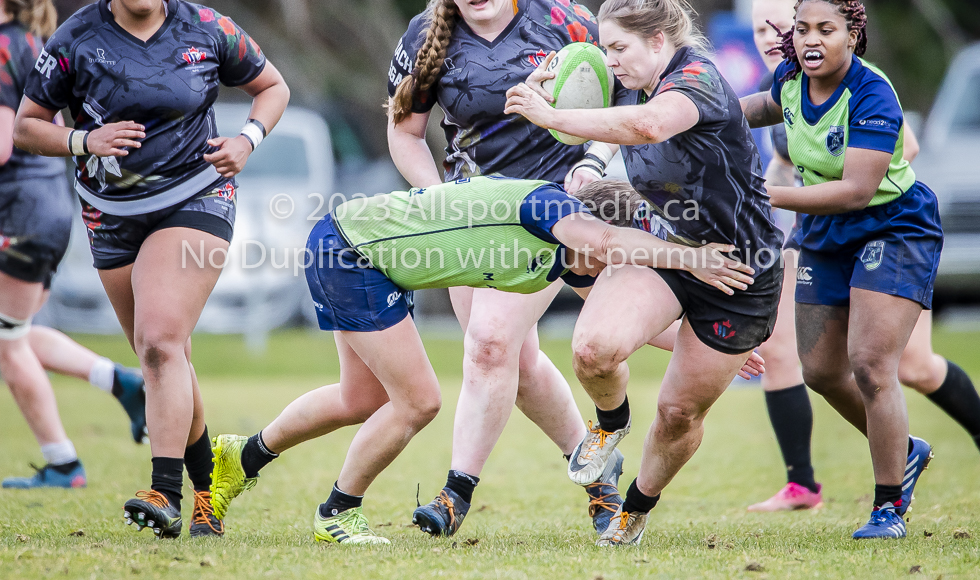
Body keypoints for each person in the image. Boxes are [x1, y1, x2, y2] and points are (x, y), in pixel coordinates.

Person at [207, 176, 760, 544]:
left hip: (351, 246)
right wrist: (691, 260)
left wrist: (710, 342)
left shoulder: (568, 258)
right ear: (595, 238)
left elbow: (624, 328)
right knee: (418, 402)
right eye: (614, 265)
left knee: (360, 399)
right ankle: (335, 513)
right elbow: (611, 239)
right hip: (352, 256)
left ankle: (241, 458)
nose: (614, 280)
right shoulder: (550, 210)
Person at [14, 0, 289, 539]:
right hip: (110, 213)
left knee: (161, 341)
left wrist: (247, 140)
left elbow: (271, 86)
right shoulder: (77, 39)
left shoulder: (207, 28)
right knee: (167, 356)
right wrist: (83, 138)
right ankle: (206, 495)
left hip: (197, 198)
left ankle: (164, 491)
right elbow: (27, 126)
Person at [505, 0, 784, 547]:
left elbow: (648, 125)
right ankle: (610, 425)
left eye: (618, 49)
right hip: (666, 247)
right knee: (592, 350)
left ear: (658, 39)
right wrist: (583, 155)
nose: (611, 61)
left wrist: (548, 117)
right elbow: (610, 114)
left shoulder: (697, 79)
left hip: (738, 266)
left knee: (680, 413)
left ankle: (636, 506)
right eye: (606, 49)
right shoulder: (634, 76)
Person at [385, 0, 632, 537]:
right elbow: (404, 131)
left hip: (552, 205)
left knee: (491, 344)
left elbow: (627, 96)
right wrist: (437, 198)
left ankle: (454, 494)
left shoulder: (564, 19)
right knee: (512, 361)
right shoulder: (424, 36)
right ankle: (602, 482)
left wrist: (594, 162)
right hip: (470, 210)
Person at [747, 0, 980, 513]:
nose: (810, 40)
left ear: (853, 35)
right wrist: (692, 113)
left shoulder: (873, 92)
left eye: (825, 30)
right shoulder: (790, 76)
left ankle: (887, 505)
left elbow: (856, 191)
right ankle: (907, 452)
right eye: (800, 29)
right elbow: (758, 107)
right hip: (825, 233)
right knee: (821, 372)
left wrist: (760, 195)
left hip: (891, 227)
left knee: (875, 366)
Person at [0, 0, 147, 490]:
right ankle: (119, 381)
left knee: (7, 341)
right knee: (16, 330)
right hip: (46, 206)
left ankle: (63, 462)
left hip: (19, 209)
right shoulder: (31, 42)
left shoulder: (2, 46)